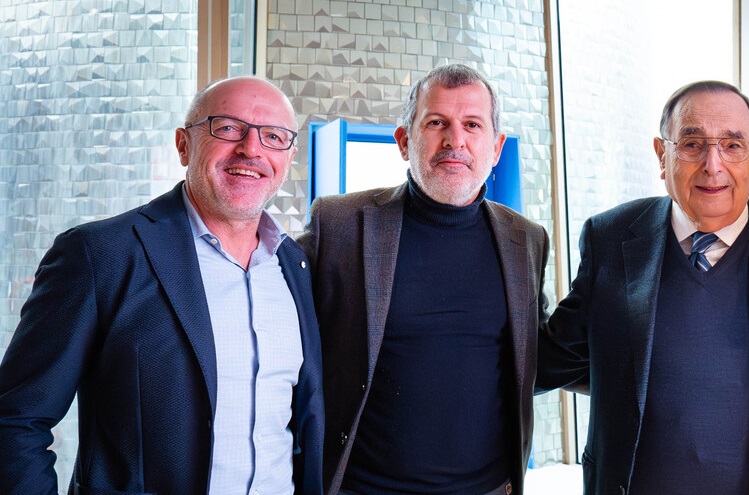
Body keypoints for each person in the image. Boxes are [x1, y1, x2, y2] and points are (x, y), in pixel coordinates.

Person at [0, 76, 324, 494]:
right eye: (228, 128)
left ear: (289, 157)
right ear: (183, 145)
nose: (251, 148)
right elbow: (16, 420)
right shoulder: (100, 255)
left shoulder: (294, 265)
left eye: (274, 137)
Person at [537, 80, 749, 494]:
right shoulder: (610, 237)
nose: (713, 165)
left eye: (733, 145)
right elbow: (553, 358)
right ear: (662, 155)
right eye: (692, 144)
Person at [298, 63, 549, 495]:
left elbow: (537, 354)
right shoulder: (339, 225)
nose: (455, 140)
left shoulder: (525, 239)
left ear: (496, 147)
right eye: (436, 123)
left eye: (473, 125)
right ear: (403, 140)